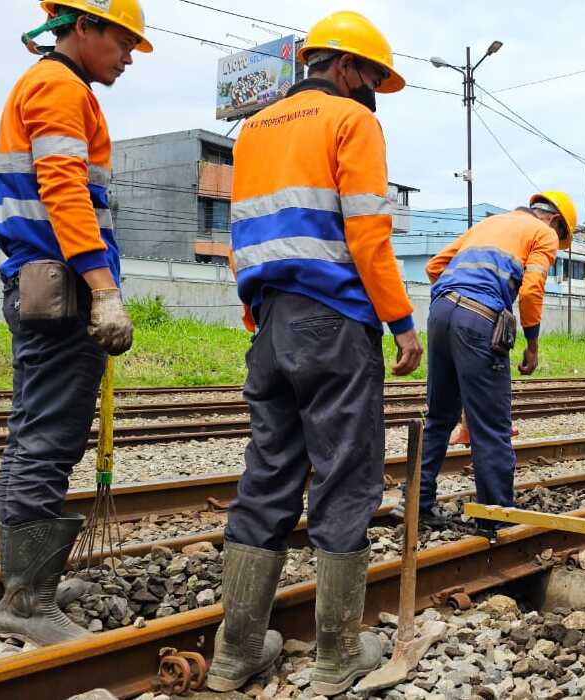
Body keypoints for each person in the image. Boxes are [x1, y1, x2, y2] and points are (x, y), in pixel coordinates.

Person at [207, 11, 422, 696]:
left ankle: (235, 654)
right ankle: (334, 660)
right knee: (344, 479)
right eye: (373, 81)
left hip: (269, 324)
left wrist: (257, 311)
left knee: (268, 476)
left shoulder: (253, 128)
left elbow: (246, 232)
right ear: (348, 67)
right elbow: (368, 234)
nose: (374, 95)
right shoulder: (352, 123)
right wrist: (401, 323)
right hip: (335, 324)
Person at [0, 0, 148, 648]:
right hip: (63, 285)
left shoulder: (50, 84)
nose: (130, 56)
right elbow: (64, 189)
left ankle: (30, 582)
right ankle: (25, 602)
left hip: (46, 280)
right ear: (84, 27)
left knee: (37, 432)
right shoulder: (57, 86)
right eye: (124, 42)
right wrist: (103, 289)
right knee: (47, 439)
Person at [417, 192, 576, 529]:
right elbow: (532, 290)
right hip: (478, 320)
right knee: (491, 425)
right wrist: (531, 345)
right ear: (556, 221)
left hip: (440, 312)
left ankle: (417, 501)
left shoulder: (490, 223)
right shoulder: (543, 233)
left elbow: (434, 266)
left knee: (439, 417)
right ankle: (496, 516)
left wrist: (456, 298)